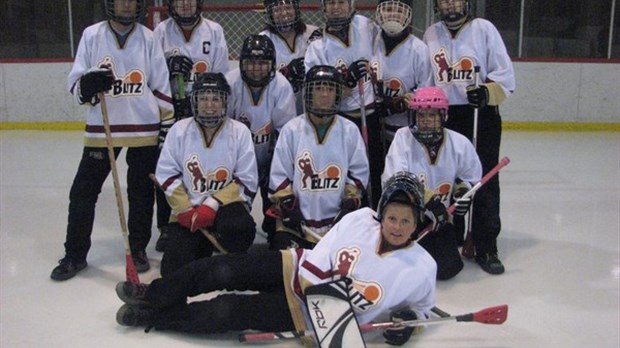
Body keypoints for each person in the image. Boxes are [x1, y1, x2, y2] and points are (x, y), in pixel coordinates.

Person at [114, 171, 436, 347]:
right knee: (223, 269)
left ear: (417, 222)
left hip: (313, 315)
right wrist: (319, 285)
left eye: (406, 221)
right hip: (296, 267)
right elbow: (326, 248)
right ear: (382, 213)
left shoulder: (422, 267)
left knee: (226, 312)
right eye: (392, 218)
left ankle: (155, 318)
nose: (397, 227)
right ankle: (153, 294)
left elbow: (421, 310)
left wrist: (408, 323)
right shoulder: (363, 218)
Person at [50, 0, 174, 281]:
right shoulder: (92, 35)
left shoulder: (148, 38)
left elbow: (160, 84)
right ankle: (75, 255)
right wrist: (87, 85)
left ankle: (138, 249)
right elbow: (76, 81)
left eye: (132, 1)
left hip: (144, 129)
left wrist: (166, 125)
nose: (127, 6)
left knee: (141, 193)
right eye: (121, 0)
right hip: (101, 128)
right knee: (83, 192)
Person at [423, 0, 515, 274]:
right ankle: (454, 235)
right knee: (448, 177)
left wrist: (487, 91)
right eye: (444, 0)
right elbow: (429, 79)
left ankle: (486, 245)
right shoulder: (431, 33)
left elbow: (505, 76)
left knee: (484, 178)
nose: (450, 4)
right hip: (445, 116)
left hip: (480, 115)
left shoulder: (484, 29)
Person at [154, 72, 258, 277]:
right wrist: (184, 209)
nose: (209, 105)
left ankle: (217, 240)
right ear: (195, 100)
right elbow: (166, 173)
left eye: (215, 99)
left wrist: (211, 204)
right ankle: (200, 242)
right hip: (188, 211)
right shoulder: (179, 130)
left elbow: (246, 179)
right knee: (172, 269)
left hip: (225, 208)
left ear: (225, 102)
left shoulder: (239, 132)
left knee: (240, 229)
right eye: (203, 98)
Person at [152, 0, 230, 252]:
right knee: (168, 164)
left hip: (205, 107)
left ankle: (211, 214)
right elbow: (153, 73)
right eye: (179, 0)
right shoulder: (161, 31)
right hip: (170, 109)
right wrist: (167, 67)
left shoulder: (214, 30)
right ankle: (168, 225)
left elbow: (220, 74)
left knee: (202, 162)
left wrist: (205, 101)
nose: (185, 4)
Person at [383, 87, 481, 280]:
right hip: (407, 217)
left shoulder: (459, 143)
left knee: (447, 270)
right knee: (402, 270)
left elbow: (469, 176)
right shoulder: (403, 137)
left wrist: (462, 193)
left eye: (432, 115)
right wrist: (428, 201)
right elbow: (395, 178)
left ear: (443, 116)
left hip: (440, 219)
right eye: (421, 115)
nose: (426, 120)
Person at [268, 65, 369, 250]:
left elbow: (358, 174)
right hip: (299, 226)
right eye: (319, 88)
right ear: (309, 93)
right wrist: (290, 206)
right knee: (285, 271)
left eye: (330, 89)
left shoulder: (349, 131)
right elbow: (279, 177)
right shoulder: (291, 130)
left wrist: (349, 202)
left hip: (337, 226)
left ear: (338, 94)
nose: (324, 94)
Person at [304, 0, 384, 209]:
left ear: (351, 5)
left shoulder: (366, 27)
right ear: (323, 8)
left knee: (376, 171)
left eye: (341, 2)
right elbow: (317, 94)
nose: (336, 7)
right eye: (331, 3)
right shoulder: (316, 47)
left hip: (371, 115)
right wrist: (345, 82)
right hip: (340, 120)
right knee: (347, 174)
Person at [225, 35, 296, 243]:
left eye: (262, 63)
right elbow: (223, 132)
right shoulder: (230, 83)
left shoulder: (281, 86)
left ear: (272, 64)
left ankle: (270, 222)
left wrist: (273, 170)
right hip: (237, 165)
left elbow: (285, 134)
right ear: (241, 63)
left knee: (277, 231)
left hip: (269, 161)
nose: (256, 69)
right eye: (251, 63)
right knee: (234, 226)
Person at [371, 0, 432, 153]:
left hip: (407, 132)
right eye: (388, 9)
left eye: (399, 11)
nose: (393, 14)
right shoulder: (370, 41)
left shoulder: (419, 50)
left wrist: (399, 104)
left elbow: (426, 90)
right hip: (373, 128)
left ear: (408, 14)